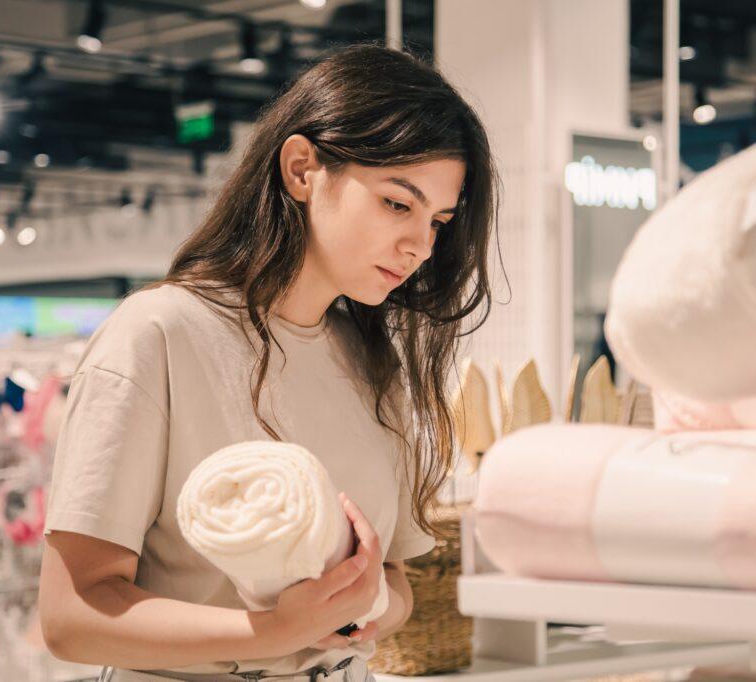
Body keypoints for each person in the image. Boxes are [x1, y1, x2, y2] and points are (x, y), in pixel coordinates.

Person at [37, 42, 500, 682]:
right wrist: (273, 633)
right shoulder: (160, 334)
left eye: (439, 221)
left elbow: (394, 581)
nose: (420, 244)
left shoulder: (375, 363)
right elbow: (72, 615)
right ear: (302, 169)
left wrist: (367, 606)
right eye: (398, 203)